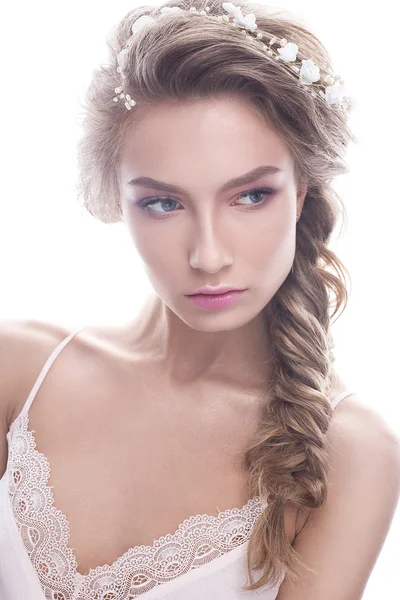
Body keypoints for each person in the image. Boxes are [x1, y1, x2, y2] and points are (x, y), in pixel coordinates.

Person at [0, 1, 399, 599]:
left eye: (251, 196)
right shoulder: (19, 370)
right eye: (164, 203)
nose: (208, 256)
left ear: (301, 192)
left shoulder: (350, 452)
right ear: (117, 198)